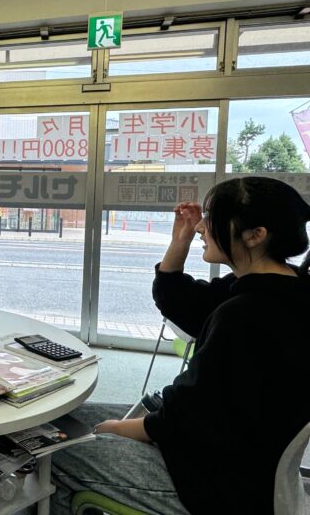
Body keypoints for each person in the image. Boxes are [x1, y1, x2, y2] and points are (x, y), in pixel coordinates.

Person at [49, 176, 310, 515]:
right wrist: (180, 241)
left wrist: (112, 429)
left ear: (255, 235)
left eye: (211, 218)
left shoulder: (246, 314)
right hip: (235, 455)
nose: (201, 226)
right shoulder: (279, 288)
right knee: (63, 421)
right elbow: (179, 301)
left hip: (215, 480)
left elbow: (182, 420)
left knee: (53, 451)